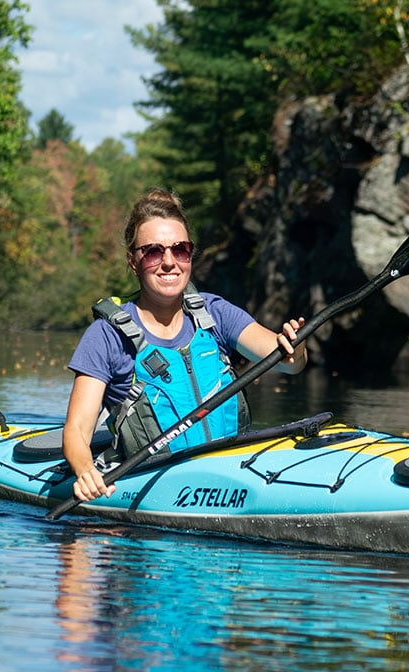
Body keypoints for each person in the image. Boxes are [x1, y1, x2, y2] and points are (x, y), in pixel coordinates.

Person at [63, 187, 308, 503]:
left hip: (232, 475)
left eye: (180, 250)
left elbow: (290, 363)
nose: (169, 262)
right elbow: (77, 432)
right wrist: (86, 473)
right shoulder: (106, 336)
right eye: (153, 251)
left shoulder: (215, 313)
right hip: (154, 488)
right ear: (133, 261)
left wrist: (296, 346)